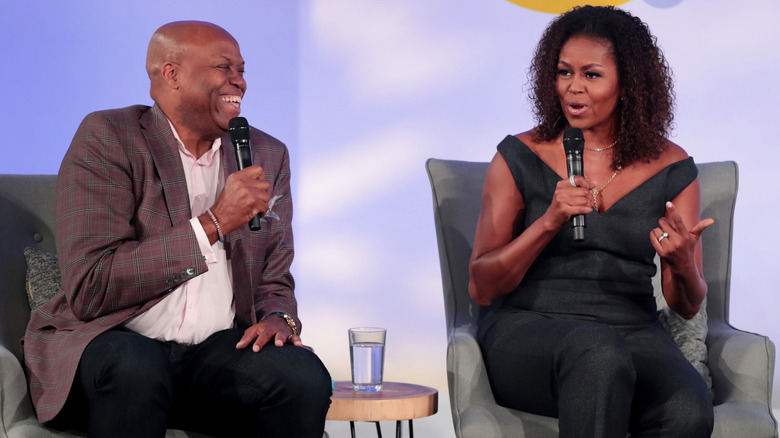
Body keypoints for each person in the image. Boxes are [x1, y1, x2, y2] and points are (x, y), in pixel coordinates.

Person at [22, 21, 332, 438]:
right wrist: (215, 221)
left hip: (214, 353)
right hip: (113, 340)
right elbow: (92, 285)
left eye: (242, 69)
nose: (238, 81)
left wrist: (279, 319)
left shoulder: (266, 154)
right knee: (137, 366)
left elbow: (274, 276)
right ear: (172, 75)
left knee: (301, 375)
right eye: (225, 68)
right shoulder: (109, 137)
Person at [469, 6, 714, 437]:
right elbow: (482, 286)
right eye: (565, 72)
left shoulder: (672, 168)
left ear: (628, 84)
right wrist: (548, 221)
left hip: (633, 328)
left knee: (689, 410)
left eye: (592, 75)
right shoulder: (518, 156)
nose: (573, 88)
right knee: (598, 353)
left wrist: (682, 261)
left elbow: (686, 305)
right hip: (530, 327)